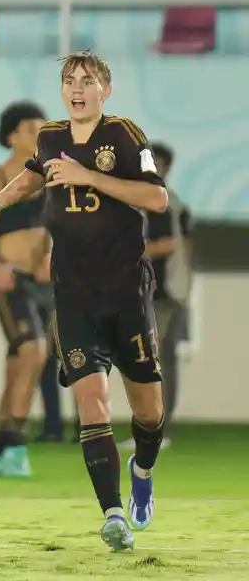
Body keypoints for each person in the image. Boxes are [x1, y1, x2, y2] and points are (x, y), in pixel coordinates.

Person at [0, 51, 169, 552]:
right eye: (69, 81)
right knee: (93, 403)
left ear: (106, 90)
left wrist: (90, 177)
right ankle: (113, 513)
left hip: (126, 292)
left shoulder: (124, 135)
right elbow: (34, 175)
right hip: (73, 295)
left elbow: (156, 199)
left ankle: (141, 469)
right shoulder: (51, 137)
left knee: (148, 412)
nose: (77, 88)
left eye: (87, 80)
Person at [0, 102, 53, 478]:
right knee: (35, 351)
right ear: (12, 135)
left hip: (45, 284)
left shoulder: (51, 175)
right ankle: (16, 445)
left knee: (21, 366)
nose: (39, 130)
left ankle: (1, 450)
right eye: (30, 125)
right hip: (11, 282)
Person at [125, 142, 191, 449]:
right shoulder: (148, 199)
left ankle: (157, 430)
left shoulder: (161, 201)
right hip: (152, 291)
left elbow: (167, 246)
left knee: (156, 360)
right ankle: (151, 429)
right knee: (151, 360)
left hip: (163, 293)